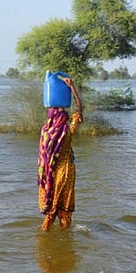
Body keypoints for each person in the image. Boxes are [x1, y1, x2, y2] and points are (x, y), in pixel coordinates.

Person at [38, 73, 84, 231]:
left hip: (50, 174)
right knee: (65, 210)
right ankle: (66, 241)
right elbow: (79, 112)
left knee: (50, 212)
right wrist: (72, 89)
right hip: (66, 172)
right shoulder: (67, 131)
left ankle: (44, 242)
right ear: (63, 118)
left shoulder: (45, 131)